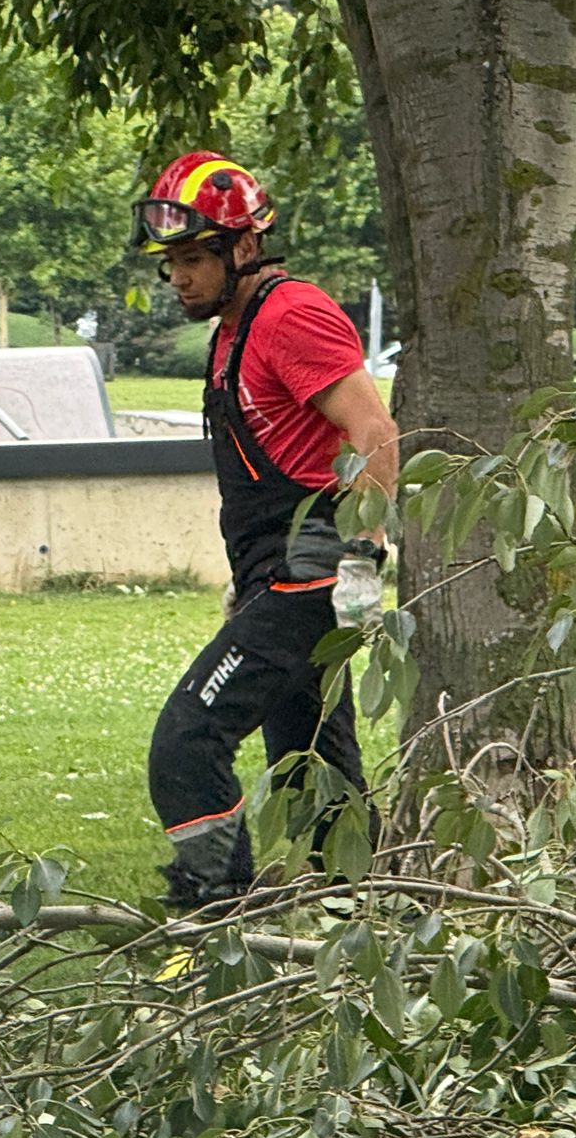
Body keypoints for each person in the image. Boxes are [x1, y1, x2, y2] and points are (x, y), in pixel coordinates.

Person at [133, 151, 400, 909]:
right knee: (313, 764)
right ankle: (361, 922)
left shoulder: (293, 316)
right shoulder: (232, 331)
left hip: (311, 574)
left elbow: (376, 432)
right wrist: (248, 582)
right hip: (273, 574)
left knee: (188, 740)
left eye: (193, 258)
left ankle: (214, 911)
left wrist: (364, 559)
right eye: (171, 262)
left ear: (243, 248)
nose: (179, 277)